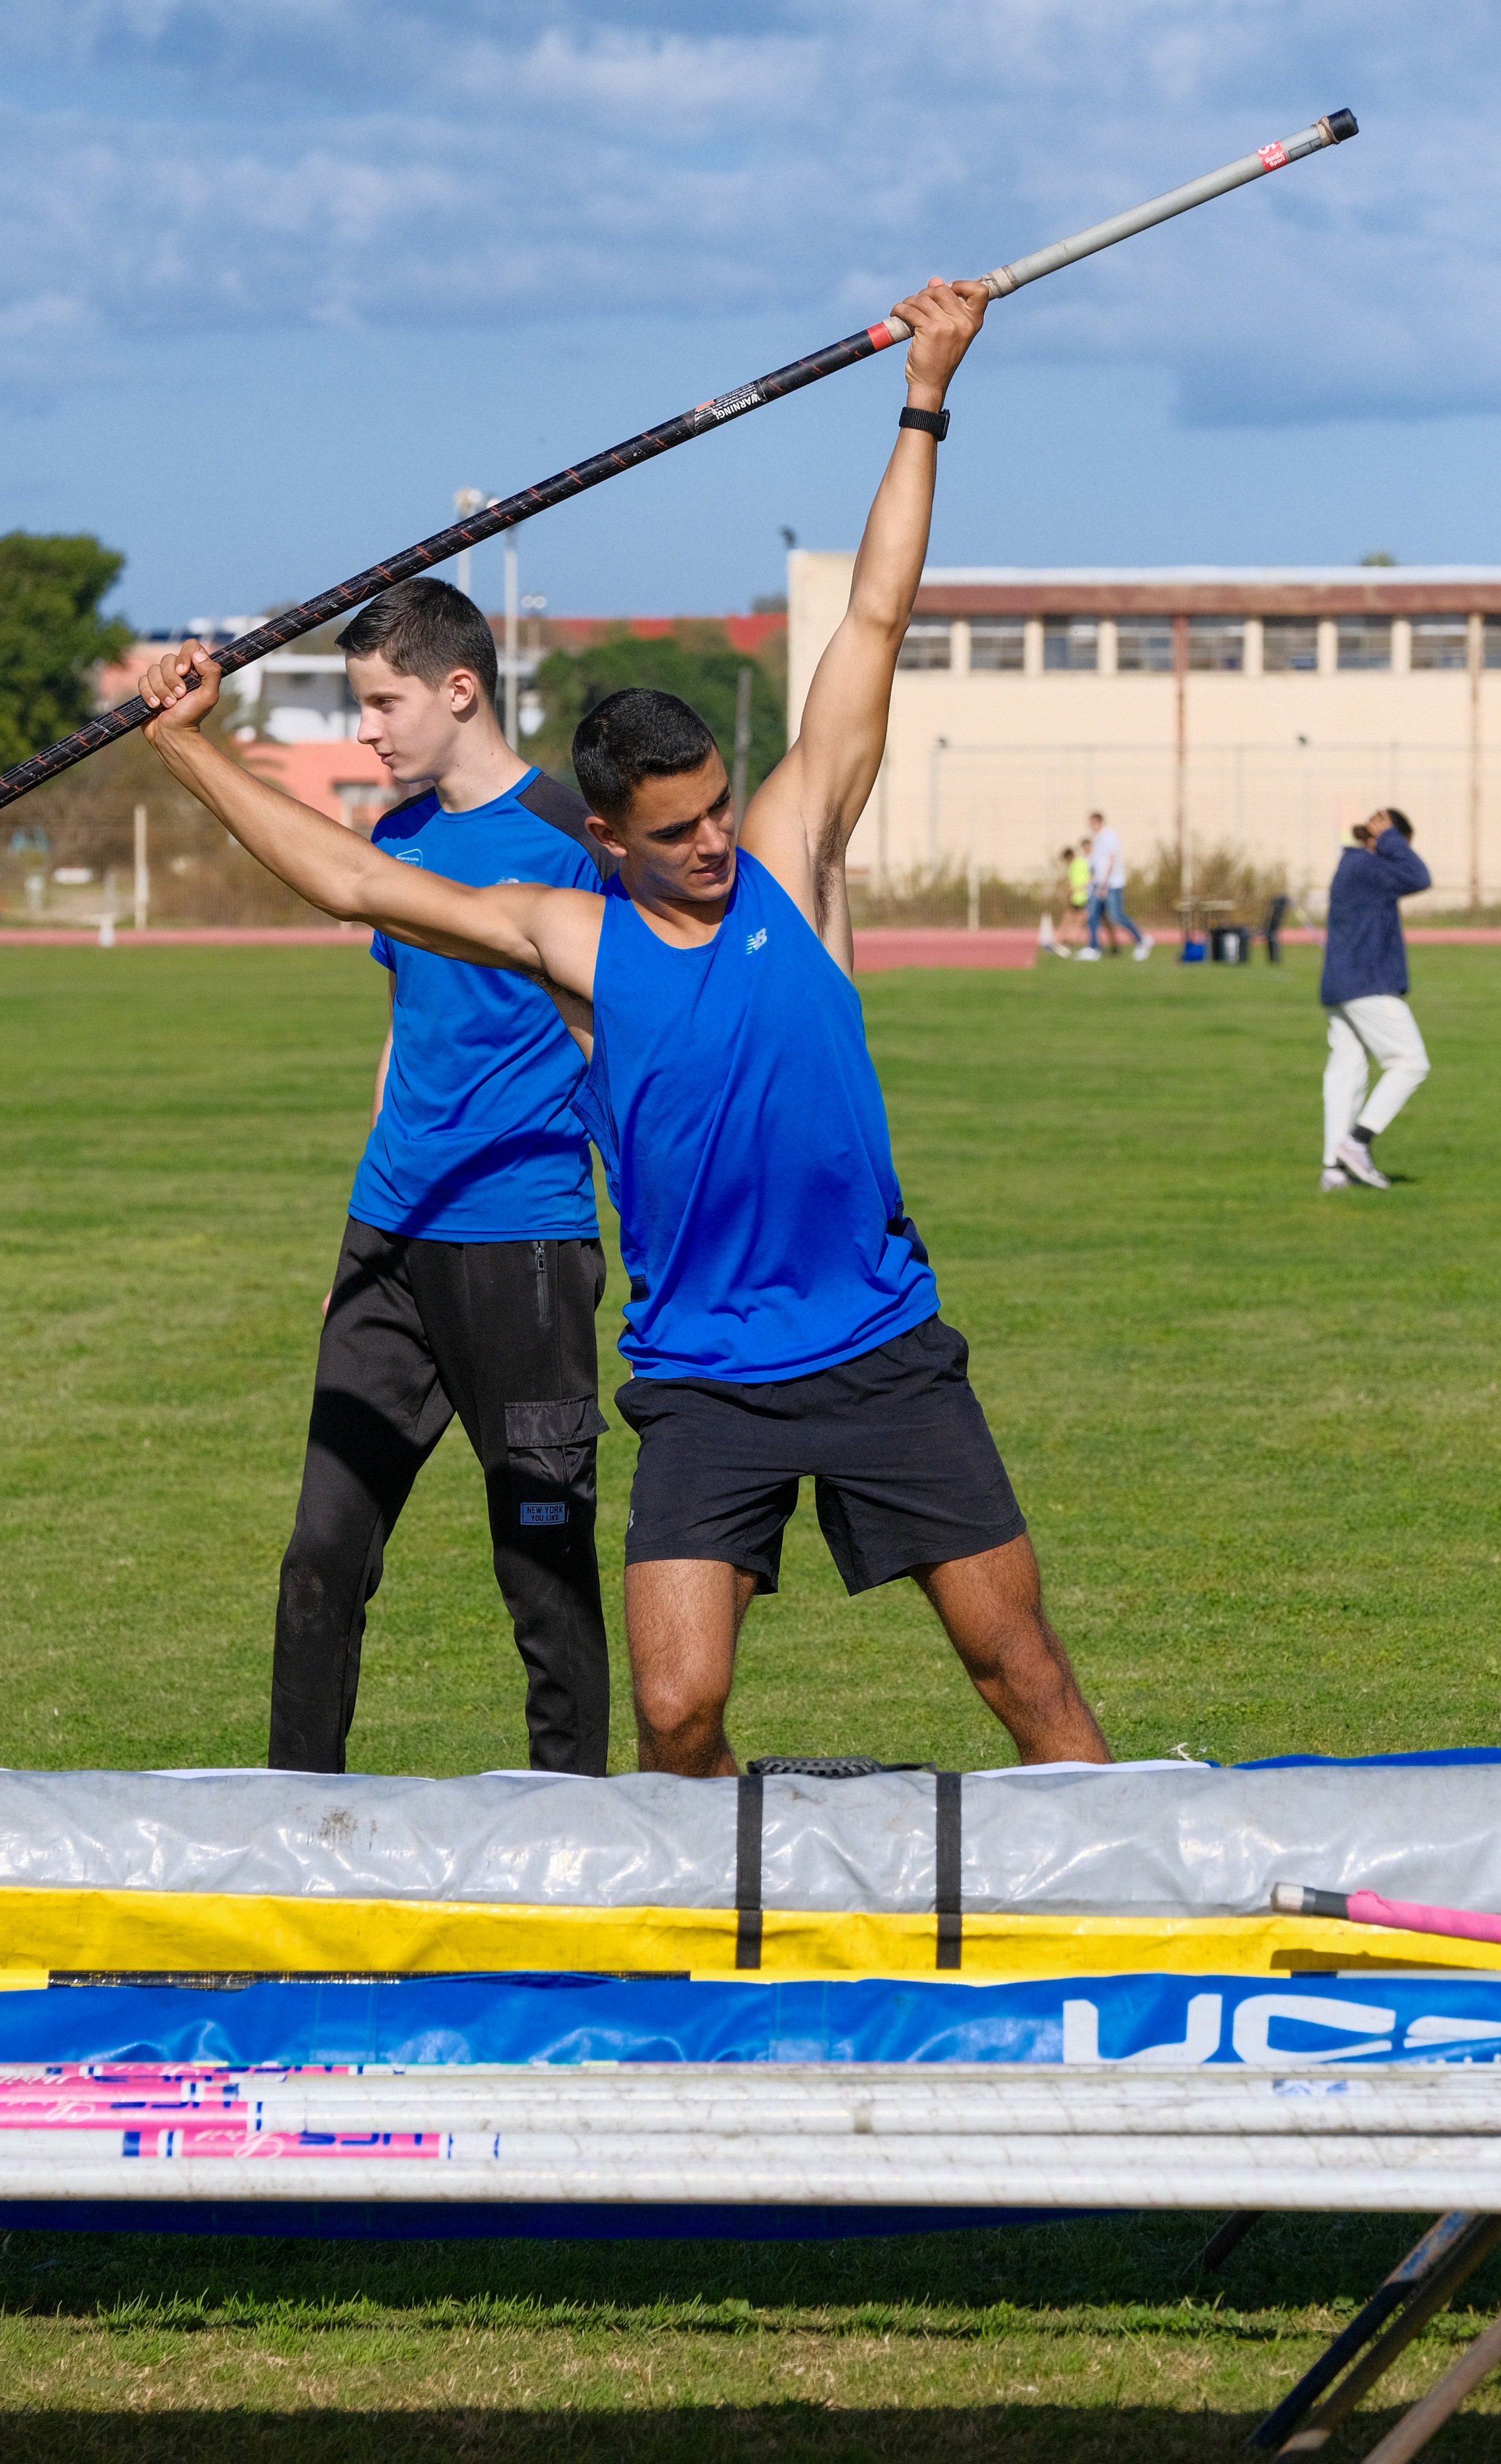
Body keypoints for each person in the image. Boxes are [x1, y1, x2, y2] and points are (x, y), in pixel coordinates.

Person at [139, 275, 1109, 1781]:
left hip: (875, 1344)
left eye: (719, 808)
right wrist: (189, 750)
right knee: (672, 1710)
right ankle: (665, 1960)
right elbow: (343, 870)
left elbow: (871, 615)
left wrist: (924, 391)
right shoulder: (574, 937)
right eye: (675, 829)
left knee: (1015, 1663)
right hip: (701, 1375)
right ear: (610, 834)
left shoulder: (788, 866)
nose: (713, 844)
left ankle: (1122, 1922)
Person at [266, 579, 613, 1777]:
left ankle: (576, 1832)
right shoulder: (399, 838)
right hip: (387, 1249)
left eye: (381, 702)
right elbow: (408, 1031)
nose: (366, 730)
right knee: (322, 1553)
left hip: (522, 1250)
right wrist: (354, 1250)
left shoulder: (578, 839)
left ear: (458, 691)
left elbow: (613, 1040)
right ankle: (288, 1824)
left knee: (544, 1562)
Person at [1319, 807, 1432, 1191]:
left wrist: (1386, 840)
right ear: (1380, 841)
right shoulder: (1367, 867)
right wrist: (1389, 839)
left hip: (1342, 985)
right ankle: (1357, 1142)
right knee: (1410, 1062)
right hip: (1366, 984)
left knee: (1346, 1075)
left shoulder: (1354, 868)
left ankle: (1334, 1169)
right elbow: (1420, 877)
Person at [1084, 811, 1150, 960]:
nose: (1090, 826)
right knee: (1093, 915)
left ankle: (1142, 940)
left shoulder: (1109, 836)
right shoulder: (1099, 838)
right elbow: (1097, 863)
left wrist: (1105, 883)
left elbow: (1111, 860)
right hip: (1099, 883)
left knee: (1116, 915)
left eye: (1092, 823)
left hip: (1111, 884)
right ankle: (1093, 947)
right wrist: (1093, 880)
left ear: (1099, 821)